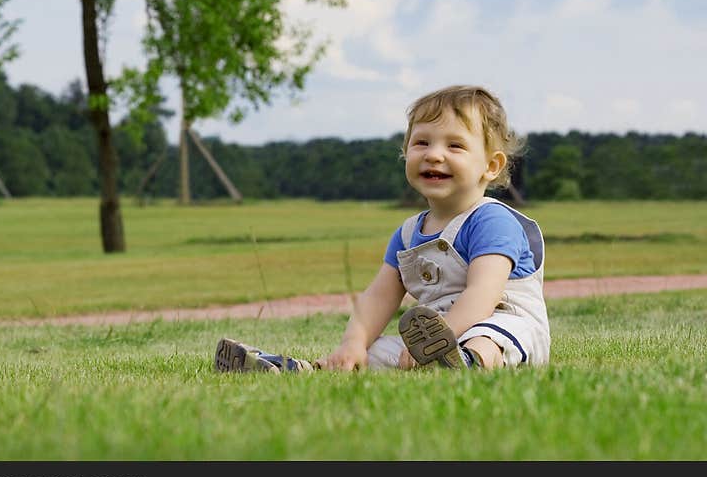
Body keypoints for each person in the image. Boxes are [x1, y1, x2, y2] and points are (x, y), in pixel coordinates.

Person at [214, 84, 550, 373]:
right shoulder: (407, 234)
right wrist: (354, 343)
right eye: (421, 143)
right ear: (405, 153)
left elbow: (482, 296)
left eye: (454, 146)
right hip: (433, 340)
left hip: (502, 323)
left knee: (489, 336)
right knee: (374, 355)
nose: (434, 155)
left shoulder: (492, 221)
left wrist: (443, 337)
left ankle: (468, 363)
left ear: (491, 165)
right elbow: (377, 298)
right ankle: (297, 368)